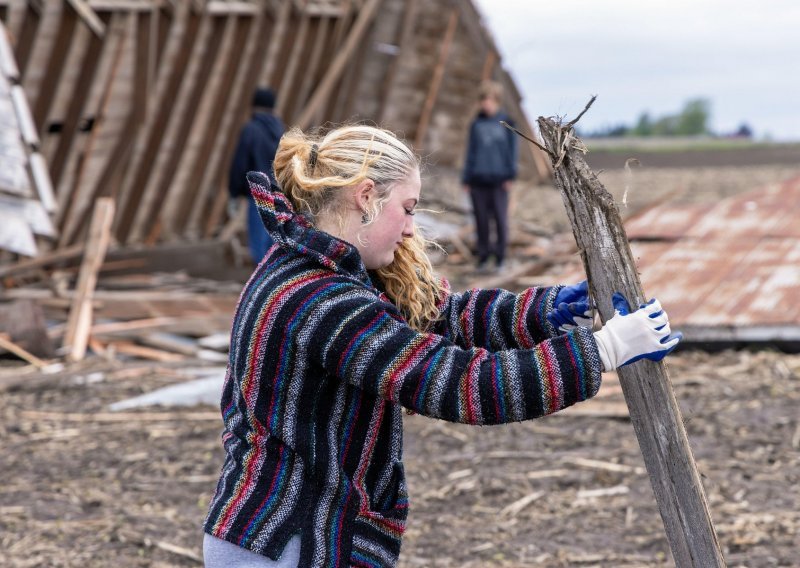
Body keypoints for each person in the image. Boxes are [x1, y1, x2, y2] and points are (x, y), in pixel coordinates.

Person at [202, 125, 682, 567]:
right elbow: (458, 384)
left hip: (287, 532)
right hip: (286, 543)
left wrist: (544, 312)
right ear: (365, 197)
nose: (412, 228)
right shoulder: (321, 300)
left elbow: (436, 321)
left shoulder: (321, 270)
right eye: (407, 209)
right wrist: (601, 352)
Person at [461, 80, 518, 273]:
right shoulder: (476, 124)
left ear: (497, 101)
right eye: (484, 100)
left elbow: (512, 152)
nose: (487, 104)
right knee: (481, 221)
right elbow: (471, 152)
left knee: (500, 221)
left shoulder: (507, 123)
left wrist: (510, 175)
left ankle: (500, 258)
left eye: (490, 100)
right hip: (477, 181)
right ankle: (483, 258)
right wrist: (466, 178)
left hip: (499, 181)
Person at [229, 87, 285, 264]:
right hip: (279, 195)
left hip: (258, 196)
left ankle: (261, 287)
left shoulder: (251, 129)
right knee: (274, 246)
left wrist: (234, 193)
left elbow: (240, 164)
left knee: (258, 248)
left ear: (253, 106)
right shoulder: (281, 131)